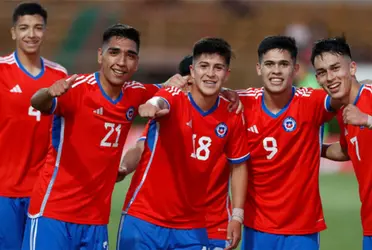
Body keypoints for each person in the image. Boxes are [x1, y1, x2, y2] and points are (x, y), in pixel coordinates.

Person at [21, 23, 183, 250]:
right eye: (114, 52)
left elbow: (171, 90)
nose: (121, 62)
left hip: (96, 221)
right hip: (53, 214)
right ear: (101, 56)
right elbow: (38, 102)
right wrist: (48, 93)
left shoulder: (135, 93)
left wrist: (184, 82)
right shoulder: (76, 88)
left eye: (130, 55)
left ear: (136, 63)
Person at [117, 37, 250, 250]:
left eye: (218, 68)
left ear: (226, 74)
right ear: (192, 71)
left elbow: (239, 164)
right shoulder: (174, 97)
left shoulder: (232, 114)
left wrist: (237, 216)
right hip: (144, 218)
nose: (210, 73)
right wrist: (150, 105)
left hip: (194, 223)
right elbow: (160, 101)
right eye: (204, 66)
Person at [237, 35, 339, 250]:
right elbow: (203, 93)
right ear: (259, 68)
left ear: (295, 69)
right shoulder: (241, 102)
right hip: (257, 226)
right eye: (270, 64)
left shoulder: (313, 101)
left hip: (303, 229)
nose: (276, 71)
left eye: (284, 64)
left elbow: (350, 94)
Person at [0, 2, 67, 249]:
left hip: (43, 191)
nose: (32, 34)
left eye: (38, 28)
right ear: (13, 32)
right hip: (4, 190)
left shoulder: (59, 75)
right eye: (24, 28)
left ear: (45, 31)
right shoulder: (1, 70)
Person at [313, 36, 372, 250]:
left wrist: (367, 120)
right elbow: (346, 151)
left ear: (353, 68)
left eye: (335, 68)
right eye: (322, 72)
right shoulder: (345, 113)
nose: (330, 77)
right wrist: (314, 148)